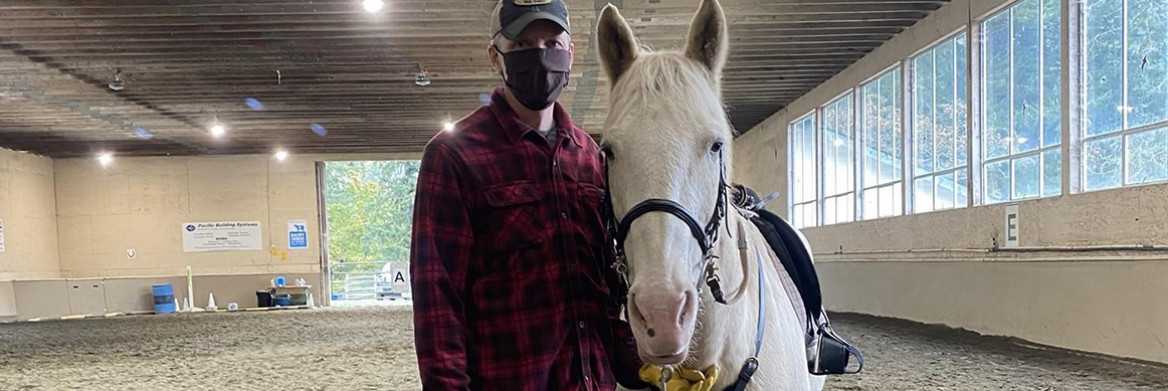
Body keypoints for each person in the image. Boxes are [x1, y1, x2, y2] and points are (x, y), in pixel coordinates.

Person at [409, 1, 649, 390]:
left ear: (570, 53)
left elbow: (601, 294)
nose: (540, 56)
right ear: (495, 56)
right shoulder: (454, 155)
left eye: (552, 43)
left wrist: (647, 367)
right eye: (522, 45)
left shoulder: (590, 157)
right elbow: (438, 300)